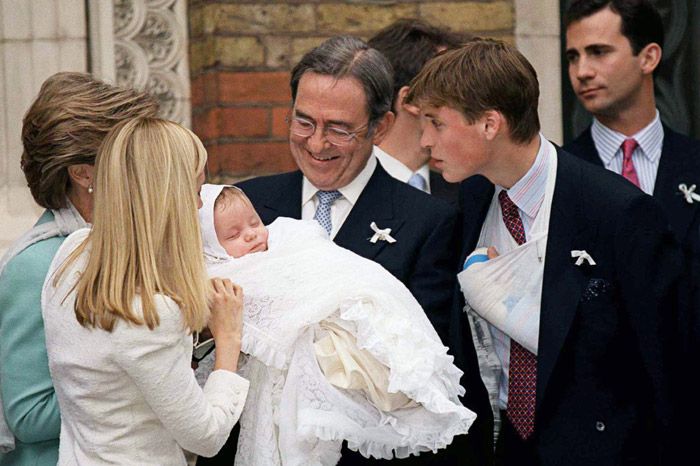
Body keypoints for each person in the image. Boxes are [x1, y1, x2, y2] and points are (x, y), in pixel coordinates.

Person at [201, 35, 492, 466]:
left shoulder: (429, 222)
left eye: (339, 129)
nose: (317, 145)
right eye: (304, 123)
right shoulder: (243, 207)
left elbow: (421, 363)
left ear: (381, 127)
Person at [406, 38, 681, 465]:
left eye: (436, 123)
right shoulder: (471, 198)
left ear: (490, 124)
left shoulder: (618, 213)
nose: (424, 140)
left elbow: (668, 370)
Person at [195, 184, 475, 465]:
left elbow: (343, 272)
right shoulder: (222, 275)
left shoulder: (291, 238)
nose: (251, 233)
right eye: (233, 235)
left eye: (254, 222)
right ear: (213, 248)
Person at [41, 118, 249, 465]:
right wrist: (228, 340)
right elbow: (206, 436)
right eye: (196, 192)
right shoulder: (150, 313)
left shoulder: (72, 252)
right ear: (166, 200)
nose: (200, 207)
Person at [0, 72, 157, 466]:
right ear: (83, 173)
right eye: (127, 155)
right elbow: (29, 416)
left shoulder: (113, 246)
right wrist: (151, 383)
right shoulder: (37, 265)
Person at [563, 0, 700, 257]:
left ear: (648, 58)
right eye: (573, 57)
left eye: (598, 52)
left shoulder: (694, 162)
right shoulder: (559, 174)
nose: (581, 71)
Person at [368, 18, 465, 202]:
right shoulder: (345, 188)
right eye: (452, 85)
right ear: (410, 100)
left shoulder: (465, 196)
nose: (467, 99)